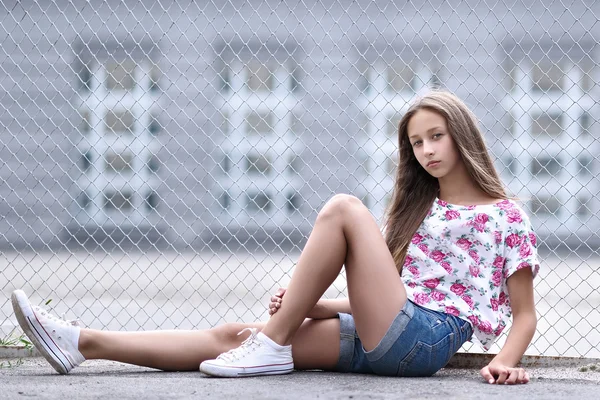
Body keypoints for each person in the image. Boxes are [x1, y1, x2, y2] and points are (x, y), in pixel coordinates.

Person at [11, 90, 539, 384]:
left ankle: (272, 339)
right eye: (416, 142)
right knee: (231, 336)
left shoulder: (505, 214)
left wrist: (504, 362)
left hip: (427, 341)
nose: (426, 150)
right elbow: (388, 297)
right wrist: (315, 307)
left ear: (461, 135)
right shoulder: (418, 210)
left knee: (343, 209)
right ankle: (81, 343)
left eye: (436, 136)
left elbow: (524, 314)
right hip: (389, 334)